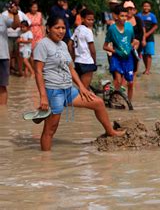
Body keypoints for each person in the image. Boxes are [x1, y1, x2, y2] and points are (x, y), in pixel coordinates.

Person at [33, 16, 124, 151]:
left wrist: (82, 87)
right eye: (57, 28)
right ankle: (45, 161)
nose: (61, 31)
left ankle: (110, 131)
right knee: (50, 129)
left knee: (98, 103)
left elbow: (70, 69)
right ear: (48, 28)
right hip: (53, 91)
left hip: (68, 89)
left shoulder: (63, 45)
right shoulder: (43, 45)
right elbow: (38, 72)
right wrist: (43, 96)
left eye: (63, 28)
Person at [103, 5, 139, 102]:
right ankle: (115, 98)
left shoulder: (129, 27)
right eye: (122, 16)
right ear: (116, 16)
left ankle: (129, 103)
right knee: (118, 81)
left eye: (125, 16)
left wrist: (133, 46)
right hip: (116, 58)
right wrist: (116, 51)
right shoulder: (112, 29)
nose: (124, 18)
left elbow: (133, 41)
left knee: (130, 83)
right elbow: (105, 46)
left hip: (128, 58)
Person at [1, 0, 31, 75]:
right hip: (7, 37)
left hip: (18, 36)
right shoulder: (4, 14)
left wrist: (22, 25)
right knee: (8, 54)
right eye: (11, 6)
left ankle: (20, 71)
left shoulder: (20, 13)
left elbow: (29, 21)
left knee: (19, 54)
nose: (12, 8)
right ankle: (7, 71)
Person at [68, 9, 97, 89]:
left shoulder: (78, 29)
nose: (91, 22)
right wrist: (94, 62)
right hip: (87, 62)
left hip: (78, 62)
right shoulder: (88, 31)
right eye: (89, 19)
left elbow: (70, 44)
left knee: (83, 88)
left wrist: (73, 57)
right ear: (83, 19)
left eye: (92, 20)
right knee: (84, 90)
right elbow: (92, 50)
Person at [0, 2, 20, 105]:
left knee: (2, 86)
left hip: (2, 57)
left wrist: (15, 13)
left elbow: (16, 25)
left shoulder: (3, 17)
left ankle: (2, 113)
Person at [123, 1, 145, 77]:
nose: (129, 11)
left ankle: (133, 81)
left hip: (136, 45)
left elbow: (141, 32)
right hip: (124, 44)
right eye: (127, 9)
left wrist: (138, 40)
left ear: (134, 10)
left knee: (135, 63)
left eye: (130, 9)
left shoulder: (137, 19)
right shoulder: (122, 20)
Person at [136, 1, 157, 75]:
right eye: (145, 6)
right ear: (142, 7)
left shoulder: (152, 16)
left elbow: (155, 26)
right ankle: (143, 69)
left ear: (150, 7)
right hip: (140, 37)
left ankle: (148, 70)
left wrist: (147, 34)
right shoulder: (138, 15)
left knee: (148, 54)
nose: (146, 7)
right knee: (142, 54)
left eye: (148, 6)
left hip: (150, 37)